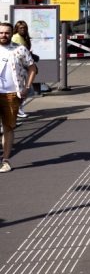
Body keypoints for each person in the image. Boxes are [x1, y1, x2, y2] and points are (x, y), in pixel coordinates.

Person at [1, 21, 38, 172]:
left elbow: (32, 68)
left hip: (11, 95)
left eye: (6, 33)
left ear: (12, 33)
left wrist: (27, 87)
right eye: (1, 32)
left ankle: (6, 160)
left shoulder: (19, 49)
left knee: (8, 127)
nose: (4, 35)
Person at [11, 21, 37, 118]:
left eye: (24, 28)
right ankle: (18, 110)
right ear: (16, 29)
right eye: (21, 28)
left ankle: (18, 109)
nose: (23, 29)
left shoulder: (22, 37)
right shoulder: (16, 38)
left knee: (25, 90)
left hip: (24, 67)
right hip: (21, 68)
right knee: (23, 90)